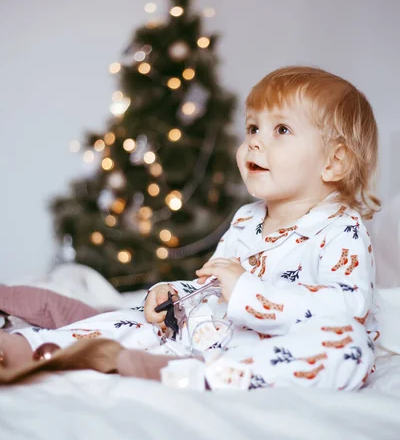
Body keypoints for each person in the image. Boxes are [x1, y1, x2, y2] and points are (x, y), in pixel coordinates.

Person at [0, 66, 381, 390]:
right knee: (136, 321)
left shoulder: (340, 230)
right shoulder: (248, 218)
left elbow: (348, 307)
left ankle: (188, 376)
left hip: (257, 350)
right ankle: (32, 344)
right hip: (209, 333)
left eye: (281, 130)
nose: (254, 143)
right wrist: (175, 294)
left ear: (334, 162)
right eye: (252, 128)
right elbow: (211, 286)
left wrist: (249, 292)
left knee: (350, 347)